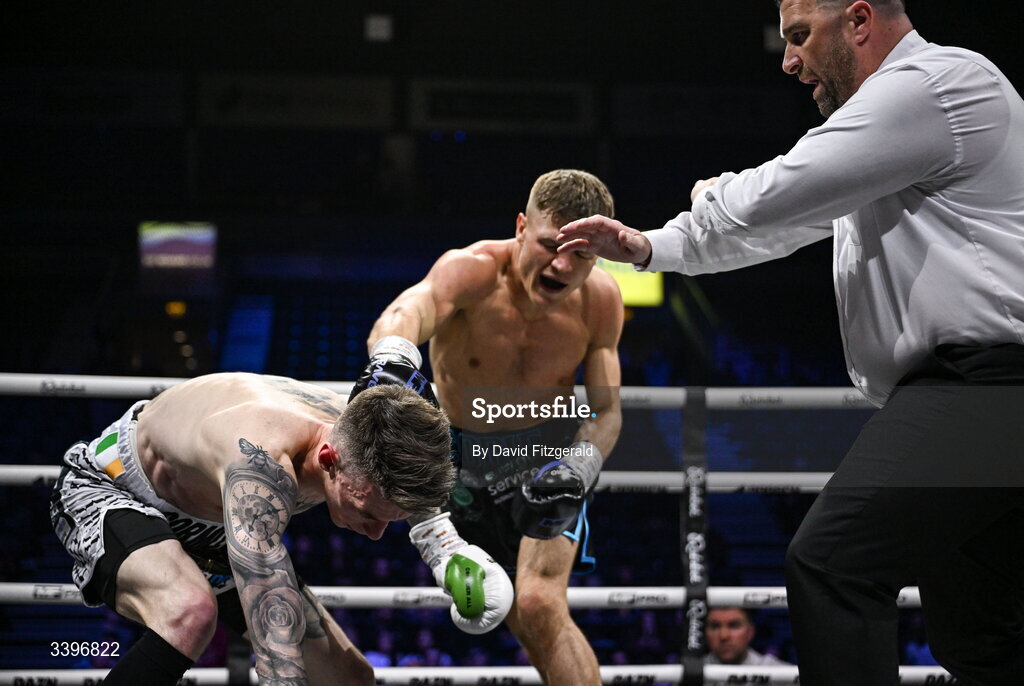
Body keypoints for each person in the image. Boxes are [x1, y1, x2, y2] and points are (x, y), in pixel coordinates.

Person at [556, 2, 1024, 684]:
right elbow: (780, 225)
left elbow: (785, 188)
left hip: (990, 387)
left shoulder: (933, 84)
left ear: (859, 21)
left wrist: (711, 194)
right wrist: (653, 246)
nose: (788, 61)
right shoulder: (895, 138)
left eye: (800, 36)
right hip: (977, 394)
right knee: (985, 634)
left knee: (833, 565)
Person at [49, 372, 511, 686]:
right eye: (368, 513)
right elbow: (277, 658)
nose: (373, 534)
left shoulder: (368, 433)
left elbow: (418, 473)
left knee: (349, 679)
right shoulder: (261, 466)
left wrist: (445, 550)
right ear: (329, 460)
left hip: (211, 522)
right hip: (115, 489)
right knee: (189, 612)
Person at [364, 168, 624, 684]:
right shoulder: (472, 271)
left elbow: (606, 411)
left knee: (540, 603)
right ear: (522, 226)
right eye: (551, 244)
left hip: (550, 455)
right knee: (516, 613)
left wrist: (582, 461)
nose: (562, 265)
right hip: (460, 461)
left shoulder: (600, 299)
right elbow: (404, 313)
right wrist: (393, 355)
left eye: (582, 254)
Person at [704, 607, 789, 684]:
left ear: (750, 632)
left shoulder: (778, 672)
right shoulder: (693, 670)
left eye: (734, 625)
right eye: (715, 626)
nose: (724, 636)